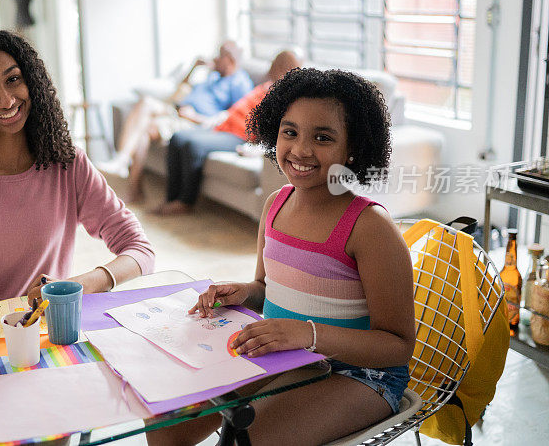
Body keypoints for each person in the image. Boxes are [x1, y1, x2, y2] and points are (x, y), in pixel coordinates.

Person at [147, 68, 415, 446]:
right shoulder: (276, 205)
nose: (301, 150)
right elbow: (264, 287)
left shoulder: (370, 227)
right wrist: (243, 292)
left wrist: (308, 334)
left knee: (244, 440)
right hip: (284, 350)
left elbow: (398, 344)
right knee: (165, 428)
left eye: (322, 137)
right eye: (290, 132)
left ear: (352, 147)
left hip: (359, 374)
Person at [0, 28, 154, 317]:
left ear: (32, 81)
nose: (7, 100)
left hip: (36, 325)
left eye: (13, 79)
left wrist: (83, 285)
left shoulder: (67, 164)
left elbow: (140, 250)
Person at [98, 41, 253, 203]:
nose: (214, 59)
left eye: (219, 56)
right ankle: (123, 162)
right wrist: (194, 68)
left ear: (229, 60)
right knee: (145, 103)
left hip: (194, 122)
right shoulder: (213, 76)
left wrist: (195, 117)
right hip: (177, 110)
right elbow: (180, 90)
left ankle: (130, 180)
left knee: (145, 129)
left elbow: (230, 119)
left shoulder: (239, 82)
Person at [154, 50, 301, 215]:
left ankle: (185, 202)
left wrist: (258, 149)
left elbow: (274, 130)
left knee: (192, 146)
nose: (275, 68)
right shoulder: (265, 87)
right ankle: (171, 198)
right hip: (224, 127)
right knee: (177, 138)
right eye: (276, 63)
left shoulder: (286, 97)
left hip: (238, 136)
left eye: (283, 65)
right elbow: (235, 109)